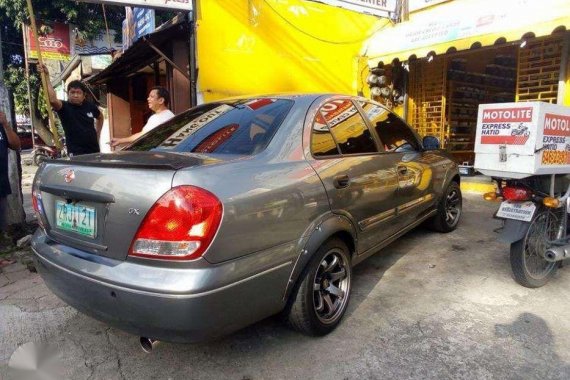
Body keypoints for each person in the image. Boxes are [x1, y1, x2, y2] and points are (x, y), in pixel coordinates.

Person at [37, 64, 103, 156]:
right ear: (68, 94)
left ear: (84, 96)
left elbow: (100, 117)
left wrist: (98, 134)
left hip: (94, 150)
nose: (75, 95)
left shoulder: (90, 106)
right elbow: (52, 100)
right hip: (76, 152)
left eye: (78, 93)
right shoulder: (64, 107)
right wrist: (46, 77)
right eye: (72, 92)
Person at [110, 86, 174, 147]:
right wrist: (120, 140)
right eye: (148, 96)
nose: (148, 99)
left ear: (161, 100)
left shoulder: (163, 117)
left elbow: (143, 135)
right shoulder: (162, 116)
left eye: (151, 97)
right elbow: (143, 134)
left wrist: (121, 140)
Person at [0, 111, 21, 245]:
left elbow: (16, 144)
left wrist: (5, 124)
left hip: (1, 183)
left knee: (2, 221)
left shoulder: (2, 127)